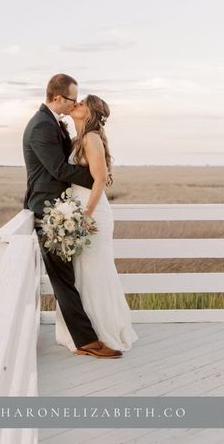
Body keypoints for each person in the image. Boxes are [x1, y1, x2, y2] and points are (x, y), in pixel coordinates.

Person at [22, 73, 123, 358]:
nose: (75, 103)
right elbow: (59, 170)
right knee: (64, 278)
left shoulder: (55, 124)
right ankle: (86, 341)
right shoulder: (42, 125)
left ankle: (87, 338)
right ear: (58, 98)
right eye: (72, 99)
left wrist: (100, 177)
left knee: (71, 276)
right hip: (49, 210)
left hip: (65, 208)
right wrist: (98, 178)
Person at [55, 93, 139, 353]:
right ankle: (85, 334)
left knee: (95, 272)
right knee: (83, 272)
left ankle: (104, 333)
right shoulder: (79, 139)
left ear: (89, 113)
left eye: (81, 104)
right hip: (81, 209)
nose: (76, 104)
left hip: (92, 213)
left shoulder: (91, 138)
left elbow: (100, 180)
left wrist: (84, 217)